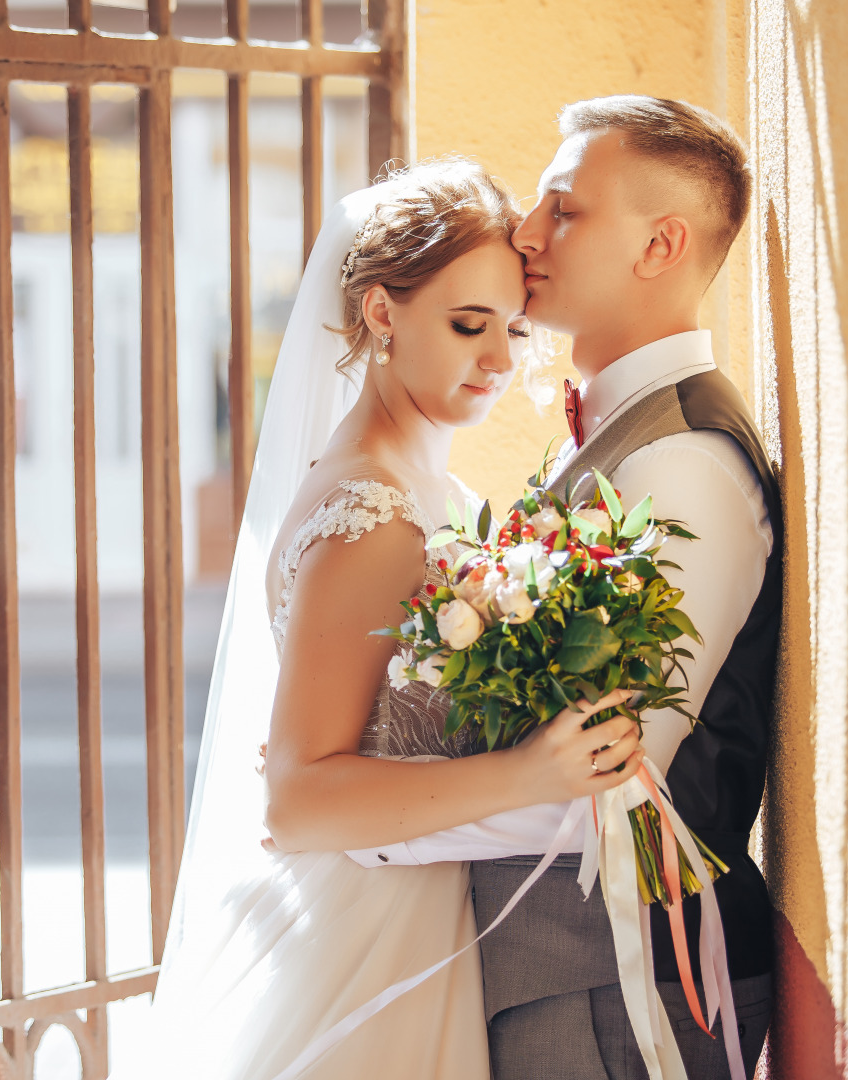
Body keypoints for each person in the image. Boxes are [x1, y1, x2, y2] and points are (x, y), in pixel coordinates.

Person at [142, 158, 649, 1080]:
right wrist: (527, 771)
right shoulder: (373, 515)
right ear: (381, 314)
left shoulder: (430, 488)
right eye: (467, 326)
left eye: (514, 327)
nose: (498, 360)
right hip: (361, 943)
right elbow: (295, 800)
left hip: (420, 917)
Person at [347, 97, 782, 1080]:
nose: (525, 234)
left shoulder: (683, 468)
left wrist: (365, 824)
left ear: (659, 245)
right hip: (558, 970)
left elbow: (614, 785)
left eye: (563, 209)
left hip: (614, 986)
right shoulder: (614, 440)